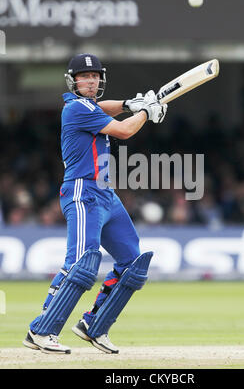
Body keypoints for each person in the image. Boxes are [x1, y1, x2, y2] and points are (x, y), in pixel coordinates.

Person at [23, 53, 167, 354]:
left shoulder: (90, 106)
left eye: (95, 75)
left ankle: (94, 326)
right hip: (82, 191)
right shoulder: (75, 108)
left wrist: (131, 105)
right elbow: (125, 130)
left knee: (132, 264)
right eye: (84, 76)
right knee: (82, 263)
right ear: (73, 80)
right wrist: (146, 112)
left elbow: (104, 107)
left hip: (105, 193)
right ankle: (41, 330)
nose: (91, 80)